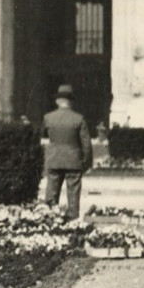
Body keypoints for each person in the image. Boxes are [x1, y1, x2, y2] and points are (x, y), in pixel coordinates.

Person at [41, 84, 92, 221]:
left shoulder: (48, 118)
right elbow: (86, 144)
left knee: (51, 192)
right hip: (73, 160)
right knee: (73, 194)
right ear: (71, 102)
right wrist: (86, 162)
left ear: (58, 101)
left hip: (54, 158)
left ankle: (50, 219)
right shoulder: (79, 118)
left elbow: (42, 136)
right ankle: (73, 220)